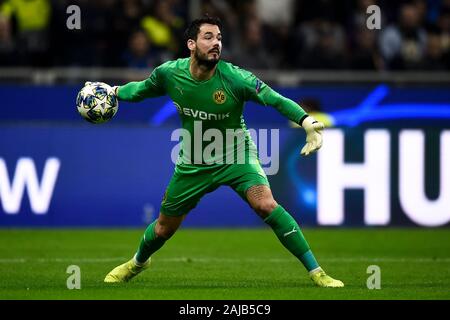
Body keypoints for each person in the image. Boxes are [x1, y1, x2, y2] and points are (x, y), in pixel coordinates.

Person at [103, 16, 344, 288]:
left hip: (236, 154)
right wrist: (114, 92)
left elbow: (275, 99)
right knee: (163, 228)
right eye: (208, 37)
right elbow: (141, 90)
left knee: (265, 204)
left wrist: (306, 120)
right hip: (194, 160)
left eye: (219, 37)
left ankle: (317, 272)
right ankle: (137, 263)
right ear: (191, 44)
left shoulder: (236, 78)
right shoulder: (169, 73)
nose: (216, 43)